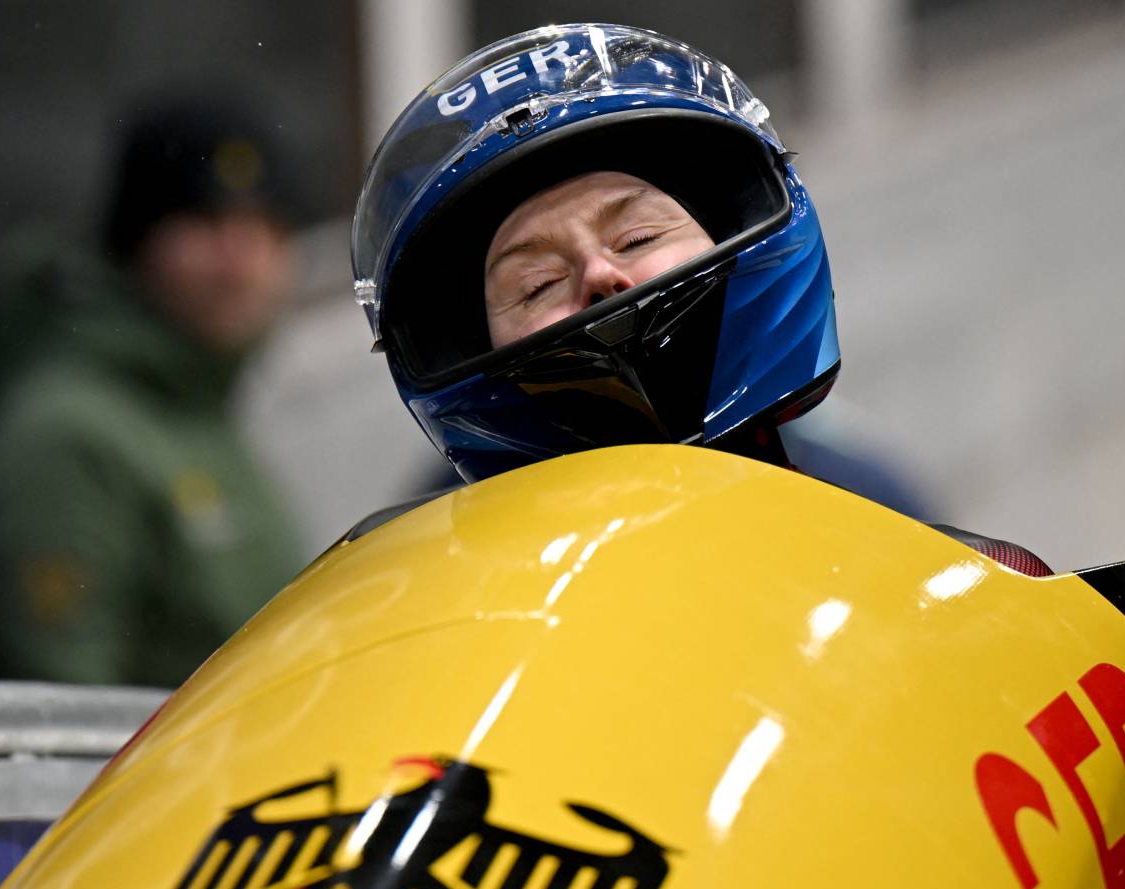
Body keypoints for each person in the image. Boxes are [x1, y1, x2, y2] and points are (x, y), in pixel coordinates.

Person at [351, 23, 1046, 574]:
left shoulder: (919, 550)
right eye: (536, 285)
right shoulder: (433, 588)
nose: (600, 274)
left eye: (637, 236)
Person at [0, 96, 307, 688]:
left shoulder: (200, 411)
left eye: (264, 228)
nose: (240, 264)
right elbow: (62, 706)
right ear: (137, 245)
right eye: (207, 225)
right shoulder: (70, 435)